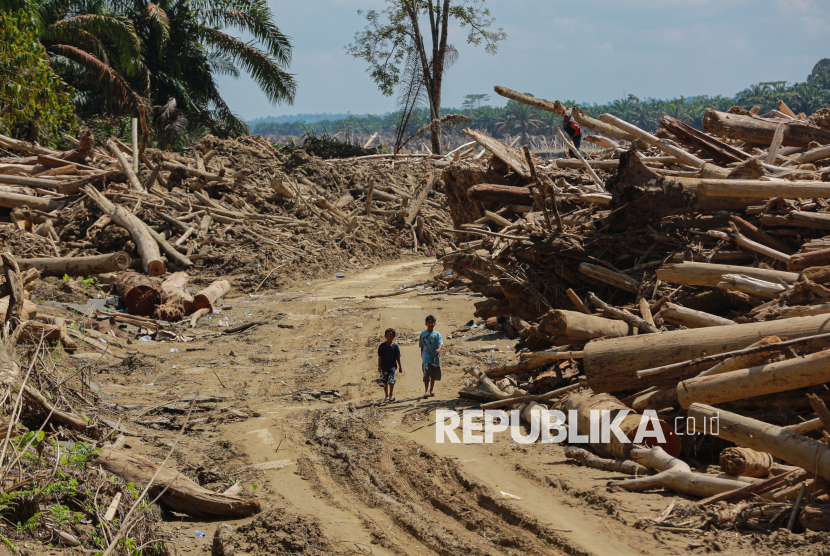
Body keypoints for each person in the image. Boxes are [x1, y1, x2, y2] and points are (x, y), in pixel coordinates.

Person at [419, 315, 443, 399]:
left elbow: (441, 343)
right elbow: (422, 346)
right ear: (426, 324)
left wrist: (439, 350)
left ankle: (431, 390)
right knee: (426, 373)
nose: (430, 324)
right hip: (426, 357)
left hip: (435, 357)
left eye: (432, 322)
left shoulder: (437, 334)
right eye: (429, 323)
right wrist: (422, 355)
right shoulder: (423, 334)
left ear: (434, 324)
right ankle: (426, 391)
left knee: (433, 375)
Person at [377, 328, 402, 404]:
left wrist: (400, 366)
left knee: (391, 381)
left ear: (394, 336)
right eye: (388, 336)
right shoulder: (382, 346)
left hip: (392, 367)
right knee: (384, 382)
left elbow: (398, 357)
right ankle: (386, 395)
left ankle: (391, 394)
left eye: (391, 336)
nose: (389, 338)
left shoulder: (395, 346)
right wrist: (379, 366)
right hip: (384, 367)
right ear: (385, 336)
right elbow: (380, 357)